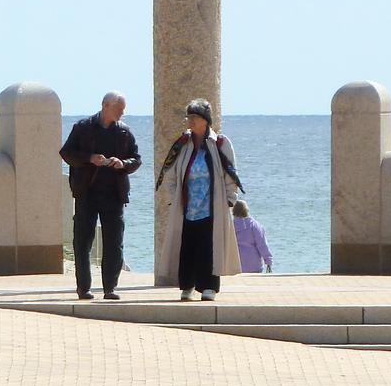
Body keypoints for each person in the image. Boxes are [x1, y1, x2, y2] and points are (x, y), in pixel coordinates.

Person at [155, 98, 243, 301]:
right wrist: (174, 196)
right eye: (189, 117)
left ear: (205, 120)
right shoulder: (183, 144)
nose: (190, 121)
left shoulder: (220, 143)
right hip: (187, 208)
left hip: (212, 207)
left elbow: (231, 173)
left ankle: (209, 287)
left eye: (195, 117)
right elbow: (170, 173)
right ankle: (187, 286)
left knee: (209, 247)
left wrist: (230, 198)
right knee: (187, 247)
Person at [59, 91, 141, 300]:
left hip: (114, 194)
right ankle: (83, 288)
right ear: (105, 105)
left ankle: (110, 288)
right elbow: (67, 153)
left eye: (123, 109)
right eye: (119, 108)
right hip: (86, 193)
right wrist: (90, 158)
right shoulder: (83, 127)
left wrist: (123, 163)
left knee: (114, 242)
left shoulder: (124, 132)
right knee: (82, 241)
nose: (123, 112)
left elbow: (136, 159)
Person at [232, 199, 273, 273]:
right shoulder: (255, 225)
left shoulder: (230, 226)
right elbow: (262, 244)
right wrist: (268, 260)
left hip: (236, 263)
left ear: (234, 210)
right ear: (247, 210)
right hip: (254, 264)